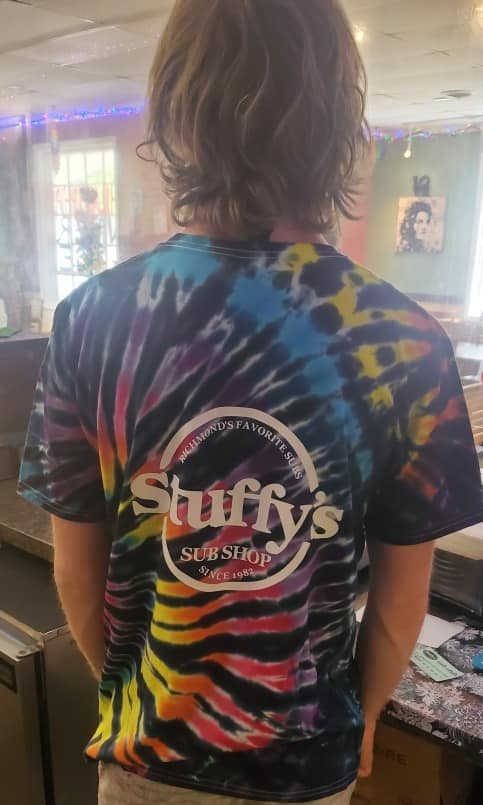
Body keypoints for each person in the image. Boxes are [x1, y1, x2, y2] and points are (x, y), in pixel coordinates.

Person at [18, 2, 483, 805]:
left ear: (176, 110)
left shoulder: (92, 317)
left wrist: (131, 696)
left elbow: (75, 569)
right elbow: (400, 599)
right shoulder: (403, 339)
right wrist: (364, 716)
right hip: (306, 764)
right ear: (336, 120)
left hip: (148, 757)